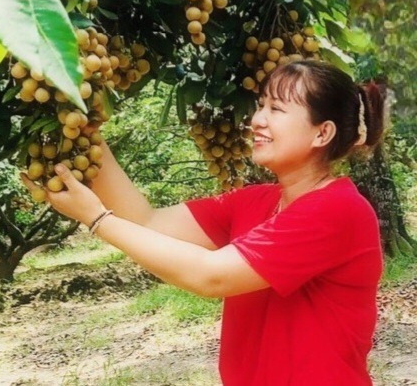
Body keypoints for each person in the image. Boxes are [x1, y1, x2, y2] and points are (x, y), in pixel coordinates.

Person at [21, 60, 386, 386]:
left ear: (322, 133)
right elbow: (145, 220)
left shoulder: (337, 209)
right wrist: (85, 127)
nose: (257, 119)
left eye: (277, 109)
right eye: (261, 105)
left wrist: (96, 218)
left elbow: (211, 276)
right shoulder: (256, 201)